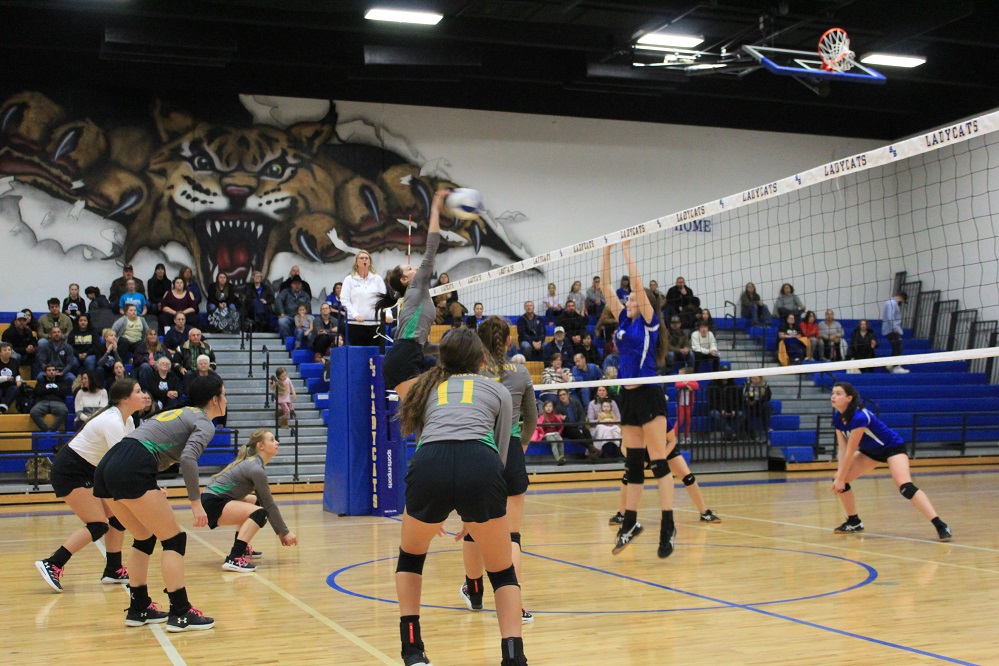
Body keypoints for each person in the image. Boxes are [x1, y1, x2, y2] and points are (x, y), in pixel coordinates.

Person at [393, 328, 525, 666]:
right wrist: (474, 510)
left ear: (442, 359)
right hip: (480, 465)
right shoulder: (498, 390)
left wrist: (433, 509)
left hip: (429, 465)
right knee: (502, 571)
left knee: (411, 558)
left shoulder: (426, 388)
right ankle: (513, 657)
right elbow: (499, 455)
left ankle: (413, 650)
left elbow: (425, 443)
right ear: (482, 361)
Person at [92, 374, 227, 631]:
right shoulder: (205, 423)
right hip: (134, 464)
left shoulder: (182, 411)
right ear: (215, 399)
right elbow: (188, 459)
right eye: (225, 394)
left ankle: (139, 606)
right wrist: (196, 502)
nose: (226, 399)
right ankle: (181, 611)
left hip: (109, 464)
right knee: (174, 539)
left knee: (143, 536)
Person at [598, 241, 676, 558]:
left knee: (658, 460)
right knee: (632, 463)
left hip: (649, 394)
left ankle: (668, 525)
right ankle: (630, 522)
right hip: (627, 397)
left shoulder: (648, 322)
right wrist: (606, 250)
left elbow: (638, 285)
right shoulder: (624, 322)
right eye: (627, 298)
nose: (628, 300)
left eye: (632, 298)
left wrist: (626, 249)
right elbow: (605, 288)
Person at [459, 316, 537, 624]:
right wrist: (522, 444)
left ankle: (475, 592)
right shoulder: (520, 373)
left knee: (472, 528)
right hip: (512, 452)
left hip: (477, 452)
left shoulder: (466, 374)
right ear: (508, 342)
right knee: (512, 536)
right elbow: (530, 418)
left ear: (478, 342)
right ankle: (514, 604)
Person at [34, 379, 146, 593]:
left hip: (92, 470)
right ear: (124, 398)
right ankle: (53, 563)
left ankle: (113, 569)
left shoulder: (128, 421)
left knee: (117, 518)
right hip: (71, 470)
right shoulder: (112, 421)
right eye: (138, 391)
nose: (144, 395)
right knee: (98, 524)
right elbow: (122, 463)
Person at [830, 382, 951, 541]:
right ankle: (854, 522)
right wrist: (840, 478)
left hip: (892, 447)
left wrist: (840, 478)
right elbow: (843, 449)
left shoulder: (860, 417)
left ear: (849, 398)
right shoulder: (838, 417)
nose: (833, 396)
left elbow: (851, 450)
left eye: (838, 393)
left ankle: (940, 524)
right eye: (833, 393)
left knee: (905, 487)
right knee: (840, 479)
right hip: (871, 451)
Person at [374, 188, 447, 401]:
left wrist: (445, 348)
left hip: (403, 355)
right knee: (425, 409)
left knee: (420, 414)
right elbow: (432, 248)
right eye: (409, 270)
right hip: (403, 356)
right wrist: (435, 208)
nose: (414, 269)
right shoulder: (416, 286)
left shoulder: (414, 297)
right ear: (406, 280)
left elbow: (423, 348)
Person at [200, 429, 298, 573]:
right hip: (213, 503)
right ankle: (235, 557)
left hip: (213, 500)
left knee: (253, 501)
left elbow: (264, 501)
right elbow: (269, 505)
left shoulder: (254, 464)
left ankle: (242, 547)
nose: (277, 442)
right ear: (261, 446)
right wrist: (285, 532)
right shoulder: (256, 469)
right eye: (272, 440)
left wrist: (280, 532)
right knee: (260, 513)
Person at [608, 418, 722, 526]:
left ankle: (705, 512)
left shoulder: (660, 419)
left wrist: (661, 458)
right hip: (641, 451)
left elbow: (672, 441)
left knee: (688, 477)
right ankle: (622, 514)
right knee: (628, 478)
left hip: (664, 449)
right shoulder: (633, 420)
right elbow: (623, 447)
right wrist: (635, 460)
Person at [342, 250, 390, 346]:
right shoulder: (349, 279)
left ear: (370, 262)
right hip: (355, 324)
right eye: (361, 258)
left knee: (375, 354)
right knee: (358, 353)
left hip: (375, 323)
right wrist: (355, 315)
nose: (364, 260)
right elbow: (344, 300)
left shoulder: (377, 279)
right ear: (356, 262)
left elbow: (384, 300)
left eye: (366, 258)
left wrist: (388, 315)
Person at [554, 387, 598, 460]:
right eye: (560, 395)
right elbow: (559, 423)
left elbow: (582, 414)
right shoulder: (558, 407)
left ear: (568, 394)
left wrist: (580, 427)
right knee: (575, 432)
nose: (562, 396)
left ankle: (591, 455)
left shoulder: (575, 402)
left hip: (577, 424)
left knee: (586, 432)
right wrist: (561, 419)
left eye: (564, 394)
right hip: (567, 428)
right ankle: (592, 448)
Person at [31, 364, 70, 432]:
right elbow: (37, 392)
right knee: (34, 412)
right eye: (49, 370)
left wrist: (46, 390)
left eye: (53, 370)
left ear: (56, 372)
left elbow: (63, 392)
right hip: (43, 402)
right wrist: (55, 389)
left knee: (64, 411)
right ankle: (46, 430)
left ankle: (51, 431)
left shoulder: (61, 382)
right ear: (45, 373)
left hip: (57, 402)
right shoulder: (41, 382)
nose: (51, 372)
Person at [882, 291, 909, 373]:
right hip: (891, 330)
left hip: (891, 329)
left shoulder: (891, 303)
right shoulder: (892, 303)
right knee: (898, 347)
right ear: (901, 297)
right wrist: (894, 328)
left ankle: (892, 365)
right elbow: (890, 317)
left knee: (896, 347)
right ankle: (895, 366)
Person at [533, 400, 565, 465]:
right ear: (544, 408)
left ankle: (562, 457)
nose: (548, 408)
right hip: (547, 434)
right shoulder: (542, 417)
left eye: (550, 406)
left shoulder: (556, 416)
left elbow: (560, 426)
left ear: (553, 408)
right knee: (554, 442)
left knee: (560, 440)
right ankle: (557, 459)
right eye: (546, 406)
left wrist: (555, 424)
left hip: (555, 433)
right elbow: (540, 428)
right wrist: (546, 424)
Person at [743, 375, 772, 441]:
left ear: (760, 379)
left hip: (760, 405)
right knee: (743, 413)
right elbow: (745, 395)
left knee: (767, 406)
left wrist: (760, 398)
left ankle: (766, 426)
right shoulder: (747, 385)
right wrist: (750, 400)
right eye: (753, 378)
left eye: (756, 378)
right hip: (749, 406)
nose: (754, 380)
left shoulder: (765, 385)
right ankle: (751, 433)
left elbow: (768, 397)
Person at [674, 367, 698, 445]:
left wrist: (685, 384)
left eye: (680, 373)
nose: (679, 375)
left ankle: (686, 436)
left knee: (688, 421)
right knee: (680, 420)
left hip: (689, 404)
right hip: (681, 404)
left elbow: (696, 386)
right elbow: (677, 385)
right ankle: (674, 436)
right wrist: (687, 386)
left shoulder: (692, 380)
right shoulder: (679, 380)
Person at [0, 342, 23, 413]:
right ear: (0, 353)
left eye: (9, 350)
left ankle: (4, 406)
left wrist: (18, 380)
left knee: (15, 388)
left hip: (9, 386)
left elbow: (17, 374)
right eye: (5, 350)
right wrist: (6, 378)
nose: (7, 351)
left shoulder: (14, 362)